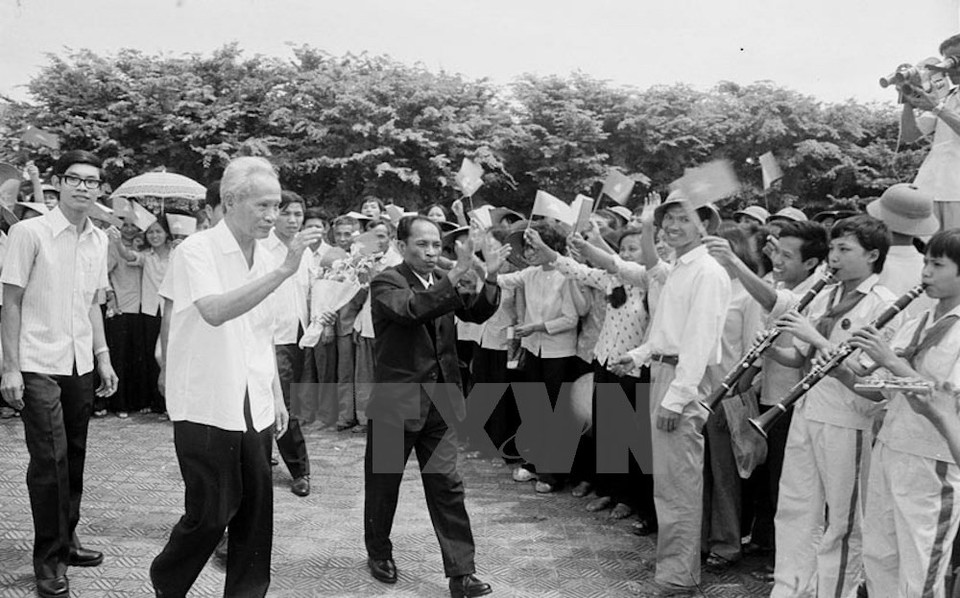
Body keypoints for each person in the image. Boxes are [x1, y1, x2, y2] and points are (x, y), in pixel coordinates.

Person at [149, 157, 324, 598]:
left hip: (255, 397)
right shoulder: (197, 250)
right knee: (211, 512)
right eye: (263, 206)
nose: (273, 216)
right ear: (229, 201)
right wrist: (284, 271)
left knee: (256, 509)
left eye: (277, 206)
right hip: (207, 396)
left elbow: (259, 330)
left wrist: (276, 396)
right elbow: (215, 311)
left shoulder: (266, 253)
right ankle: (168, 579)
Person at [363, 215, 506, 598]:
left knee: (447, 485)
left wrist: (490, 276)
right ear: (401, 244)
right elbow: (412, 310)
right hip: (398, 401)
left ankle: (462, 572)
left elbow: (476, 312)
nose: (430, 253)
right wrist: (455, 273)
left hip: (441, 403)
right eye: (422, 245)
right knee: (383, 484)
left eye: (435, 246)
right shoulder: (387, 281)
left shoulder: (439, 282)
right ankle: (378, 552)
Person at [0, 149, 119, 598]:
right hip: (35, 362)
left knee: (74, 455)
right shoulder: (29, 233)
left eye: (93, 181)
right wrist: (9, 367)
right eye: (76, 179)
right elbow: (9, 302)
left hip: (80, 363)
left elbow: (93, 303)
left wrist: (103, 356)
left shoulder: (100, 239)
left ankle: (68, 540)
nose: (85, 187)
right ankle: (48, 561)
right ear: (58, 184)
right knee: (49, 462)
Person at [764, 215, 900, 598]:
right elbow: (799, 359)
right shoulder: (825, 296)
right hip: (807, 410)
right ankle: (789, 588)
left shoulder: (883, 305)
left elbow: (870, 380)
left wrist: (816, 340)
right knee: (794, 507)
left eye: (845, 250)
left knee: (842, 520)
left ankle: (834, 591)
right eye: (833, 248)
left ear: (873, 255)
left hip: (848, 420)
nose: (834, 257)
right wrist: (771, 346)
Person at [610, 193, 731, 597]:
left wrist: (677, 398)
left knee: (678, 483)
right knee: (668, 481)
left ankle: (680, 579)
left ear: (705, 225)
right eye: (669, 219)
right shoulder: (680, 267)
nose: (674, 226)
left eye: (684, 219)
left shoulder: (708, 273)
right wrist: (638, 354)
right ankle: (675, 569)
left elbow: (699, 342)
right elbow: (667, 329)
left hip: (683, 379)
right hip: (664, 370)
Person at [704, 219, 830, 579]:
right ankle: (767, 544)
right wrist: (765, 351)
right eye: (777, 252)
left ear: (810, 263)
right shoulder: (786, 283)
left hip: (797, 403)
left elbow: (776, 304)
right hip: (769, 395)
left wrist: (733, 261)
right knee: (767, 482)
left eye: (788, 256)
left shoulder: (815, 292)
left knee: (786, 485)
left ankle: (784, 560)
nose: (778, 261)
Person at [849, 228, 960, 598]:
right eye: (925, 261)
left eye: (937, 264)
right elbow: (880, 384)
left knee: (921, 568)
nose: (925, 271)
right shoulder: (920, 320)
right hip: (892, 445)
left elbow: (942, 401)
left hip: (933, 459)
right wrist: (836, 357)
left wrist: (889, 361)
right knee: (880, 555)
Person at [264, 190, 313, 496]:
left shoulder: (305, 250)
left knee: (289, 403)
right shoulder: (261, 248)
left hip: (301, 336)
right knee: (284, 405)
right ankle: (300, 471)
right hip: (273, 337)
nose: (293, 220)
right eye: (287, 213)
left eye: (298, 214)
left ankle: (265, 454)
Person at [905, 33, 960, 230]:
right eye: (948, 60)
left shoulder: (940, 103)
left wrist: (937, 107)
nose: (950, 66)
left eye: (957, 59)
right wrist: (907, 100)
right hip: (932, 187)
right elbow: (909, 135)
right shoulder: (947, 97)